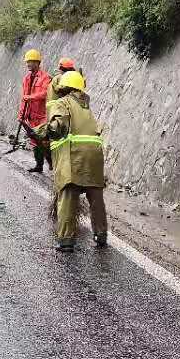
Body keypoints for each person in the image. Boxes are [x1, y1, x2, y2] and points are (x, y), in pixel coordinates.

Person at [46, 70, 107, 252]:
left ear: (65, 88)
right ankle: (101, 235)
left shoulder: (62, 103)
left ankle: (66, 240)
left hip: (74, 157)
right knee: (96, 199)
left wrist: (46, 130)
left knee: (67, 196)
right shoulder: (87, 107)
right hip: (95, 158)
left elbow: (58, 126)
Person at [19, 48, 51, 174]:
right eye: (27, 62)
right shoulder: (26, 79)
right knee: (34, 143)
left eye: (31, 62)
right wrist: (21, 114)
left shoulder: (45, 77)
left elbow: (45, 94)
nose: (28, 64)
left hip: (42, 116)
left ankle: (51, 163)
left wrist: (30, 97)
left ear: (37, 62)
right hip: (30, 116)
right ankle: (39, 165)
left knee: (44, 142)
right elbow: (24, 97)